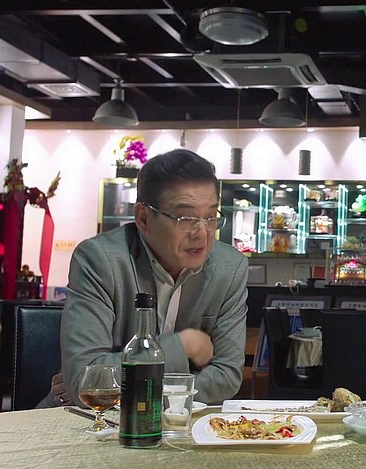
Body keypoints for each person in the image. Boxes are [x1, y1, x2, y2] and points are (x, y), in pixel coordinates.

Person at [45, 149, 248, 407]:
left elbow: (226, 378)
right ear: (143, 218)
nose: (201, 233)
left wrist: (124, 384)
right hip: (88, 421)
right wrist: (183, 346)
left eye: (210, 217)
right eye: (186, 218)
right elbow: (86, 381)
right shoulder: (100, 260)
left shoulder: (229, 268)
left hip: (178, 422)